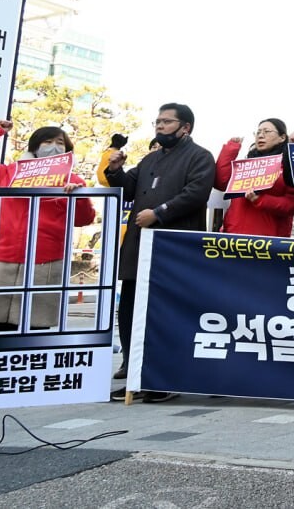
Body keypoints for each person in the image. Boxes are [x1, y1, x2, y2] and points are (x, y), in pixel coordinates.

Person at [104, 103, 216, 400]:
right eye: (158, 121)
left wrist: (159, 213)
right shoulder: (150, 158)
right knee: (129, 309)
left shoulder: (200, 156)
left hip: (172, 248)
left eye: (167, 122)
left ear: (185, 127)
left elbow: (195, 194)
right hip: (138, 245)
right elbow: (129, 189)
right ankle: (136, 376)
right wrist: (115, 171)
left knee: (163, 312)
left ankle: (164, 379)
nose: (160, 126)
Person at [0, 120, 96, 331]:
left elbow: (83, 220)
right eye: (47, 141)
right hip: (2, 256)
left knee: (36, 328)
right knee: (1, 327)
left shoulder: (73, 180)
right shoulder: (10, 173)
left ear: (67, 150)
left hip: (45, 260)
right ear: (34, 147)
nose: (54, 146)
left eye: (60, 142)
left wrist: (78, 196)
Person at [214, 118, 294, 238]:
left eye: (266, 131)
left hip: (268, 241)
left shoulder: (291, 166)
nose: (260, 136)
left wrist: (260, 200)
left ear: (282, 138)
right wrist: (231, 148)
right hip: (233, 236)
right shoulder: (246, 165)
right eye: (258, 132)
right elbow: (221, 182)